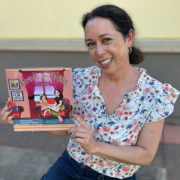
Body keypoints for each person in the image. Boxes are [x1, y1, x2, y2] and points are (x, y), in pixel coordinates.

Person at [1, 4, 180, 180]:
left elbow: (145, 155)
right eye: (91, 44)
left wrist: (95, 146)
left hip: (115, 177)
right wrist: (29, 117)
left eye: (106, 40)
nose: (99, 51)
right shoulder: (79, 79)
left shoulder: (155, 94)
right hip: (69, 166)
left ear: (129, 38)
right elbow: (65, 129)